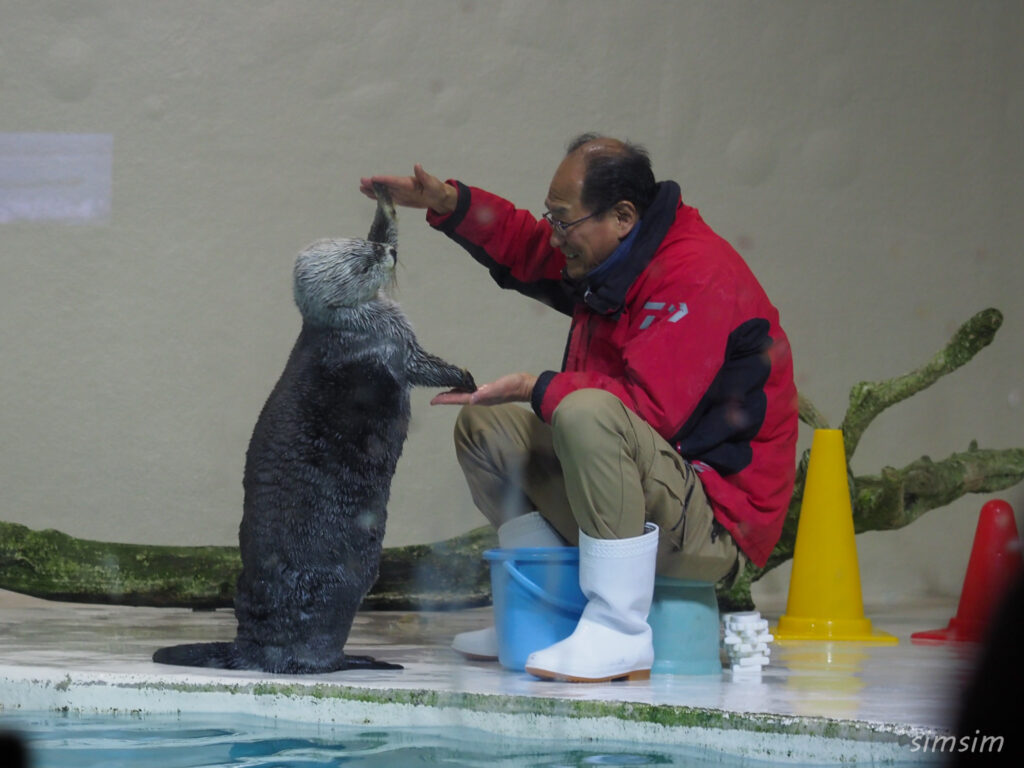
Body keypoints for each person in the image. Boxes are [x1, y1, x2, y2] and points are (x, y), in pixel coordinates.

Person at [360, 134, 798, 683]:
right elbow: (527, 247)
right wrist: (450, 205)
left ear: (621, 216)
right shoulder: (614, 253)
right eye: (553, 217)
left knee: (584, 410)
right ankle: (545, 607)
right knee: (485, 426)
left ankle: (620, 630)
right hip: (646, 492)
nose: (555, 235)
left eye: (563, 221)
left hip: (714, 521)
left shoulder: (695, 273)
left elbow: (649, 412)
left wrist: (535, 386)